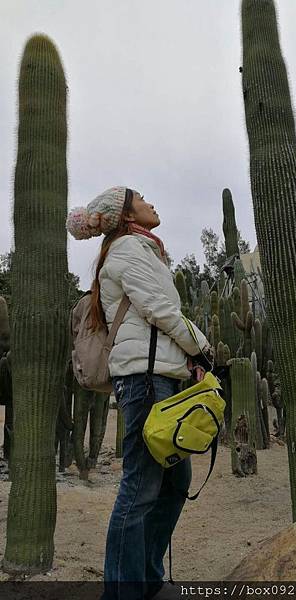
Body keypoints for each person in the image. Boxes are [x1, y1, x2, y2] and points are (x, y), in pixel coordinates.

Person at [66, 187, 213, 600]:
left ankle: (146, 579)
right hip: (144, 380)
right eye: (142, 198)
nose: (152, 202)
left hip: (157, 375)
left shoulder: (141, 249)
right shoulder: (129, 248)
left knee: (174, 480)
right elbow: (160, 310)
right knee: (142, 484)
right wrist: (202, 348)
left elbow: (154, 321)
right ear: (128, 215)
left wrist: (189, 363)